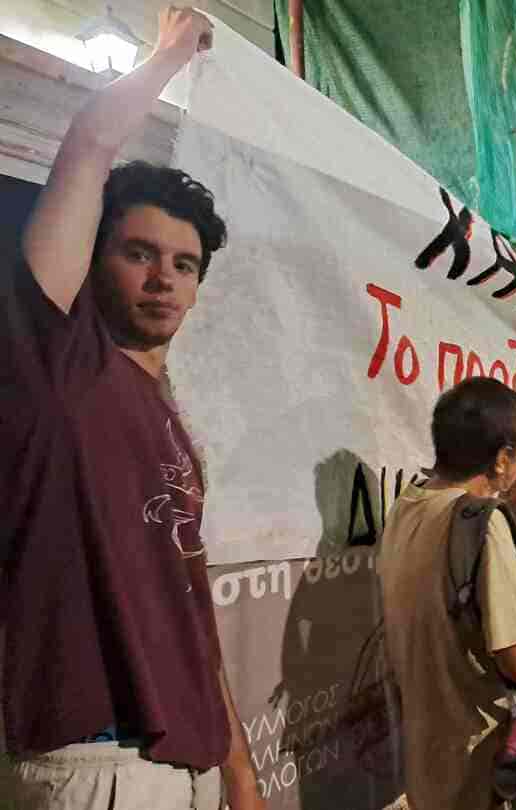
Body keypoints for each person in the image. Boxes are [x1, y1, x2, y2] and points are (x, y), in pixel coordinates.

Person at [1, 9, 264, 809]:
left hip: (187, 762)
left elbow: (188, 610)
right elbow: (88, 149)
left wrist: (239, 771)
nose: (163, 279)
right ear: (93, 256)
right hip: (93, 762)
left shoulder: (173, 423)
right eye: (139, 253)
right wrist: (169, 54)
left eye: (184, 264)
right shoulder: (57, 368)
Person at [378, 377, 516, 810]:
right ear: (503, 459)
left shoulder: (407, 507)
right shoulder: (485, 526)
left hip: (428, 759)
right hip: (481, 766)